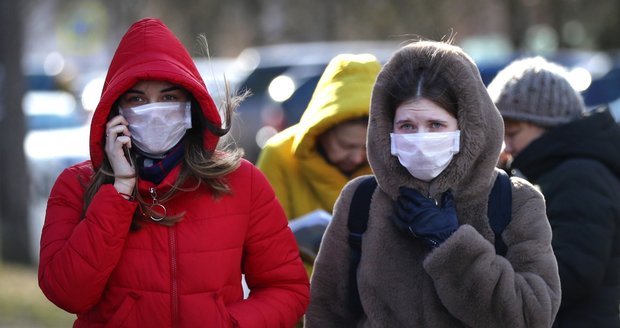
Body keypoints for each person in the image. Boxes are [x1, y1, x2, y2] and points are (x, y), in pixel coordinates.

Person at [38, 18, 309, 327]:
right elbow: (67, 293)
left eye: (168, 98)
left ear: (189, 107)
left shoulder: (241, 182)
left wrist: (230, 323)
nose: (154, 111)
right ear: (116, 112)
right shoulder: (77, 185)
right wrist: (119, 191)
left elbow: (287, 288)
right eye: (137, 99)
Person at [305, 41, 561, 327]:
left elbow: (532, 317)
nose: (420, 139)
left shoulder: (514, 201)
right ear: (387, 129)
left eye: (436, 125)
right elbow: (326, 313)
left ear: (467, 129)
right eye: (407, 126)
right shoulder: (361, 200)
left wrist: (452, 244)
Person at [487, 56, 620, 327]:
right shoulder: (552, 171)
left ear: (548, 126)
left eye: (512, 133)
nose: (505, 147)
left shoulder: (580, 176)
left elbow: (572, 273)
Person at [256, 54, 381, 266]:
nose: (358, 157)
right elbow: (260, 242)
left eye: (367, 147)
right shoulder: (279, 154)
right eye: (346, 146)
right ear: (321, 130)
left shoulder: (388, 161)